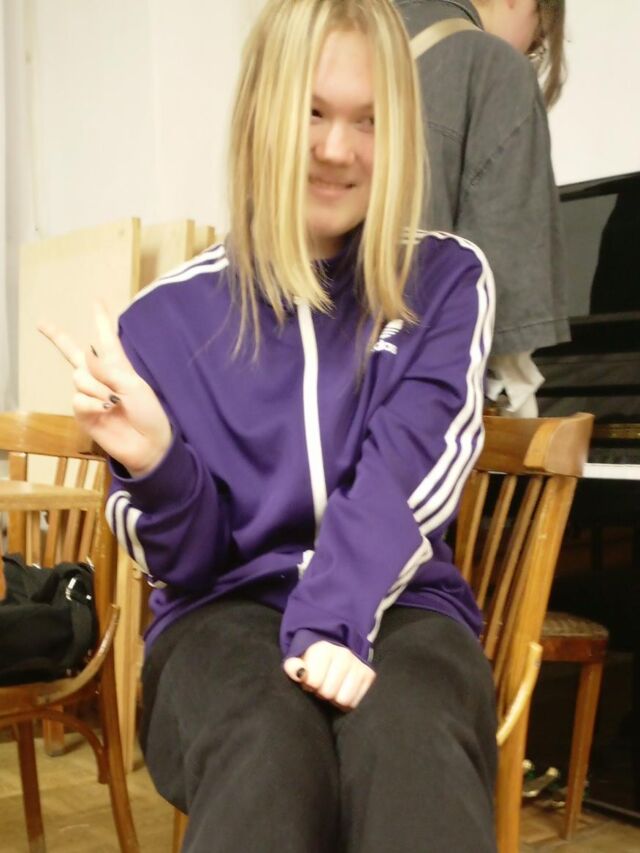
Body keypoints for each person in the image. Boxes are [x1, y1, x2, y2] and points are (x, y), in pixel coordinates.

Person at [41, 1, 497, 850]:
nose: (338, 148)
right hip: (221, 617)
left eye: (368, 120)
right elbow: (187, 565)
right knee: (268, 749)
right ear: (261, 112)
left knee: (410, 743)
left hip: (402, 604)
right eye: (312, 112)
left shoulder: (444, 279)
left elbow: (405, 471)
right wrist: (160, 464)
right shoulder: (160, 325)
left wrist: (331, 620)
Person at [397, 0, 570, 416]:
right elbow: (502, 318)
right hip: (408, 404)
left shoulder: (339, 33)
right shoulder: (494, 67)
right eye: (537, 43)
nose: (527, 52)